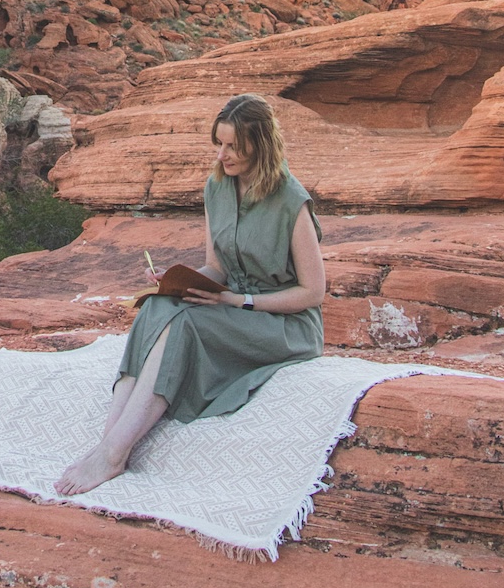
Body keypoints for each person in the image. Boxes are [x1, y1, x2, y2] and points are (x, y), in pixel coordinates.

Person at [55, 92, 326, 496]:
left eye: (234, 146)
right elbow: (217, 266)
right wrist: (178, 279)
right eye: (219, 143)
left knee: (184, 324)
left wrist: (238, 301)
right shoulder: (217, 188)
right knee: (159, 305)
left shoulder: (291, 201)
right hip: (232, 304)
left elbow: (312, 292)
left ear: (261, 145)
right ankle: (109, 441)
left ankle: (114, 452)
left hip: (282, 323)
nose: (223, 155)